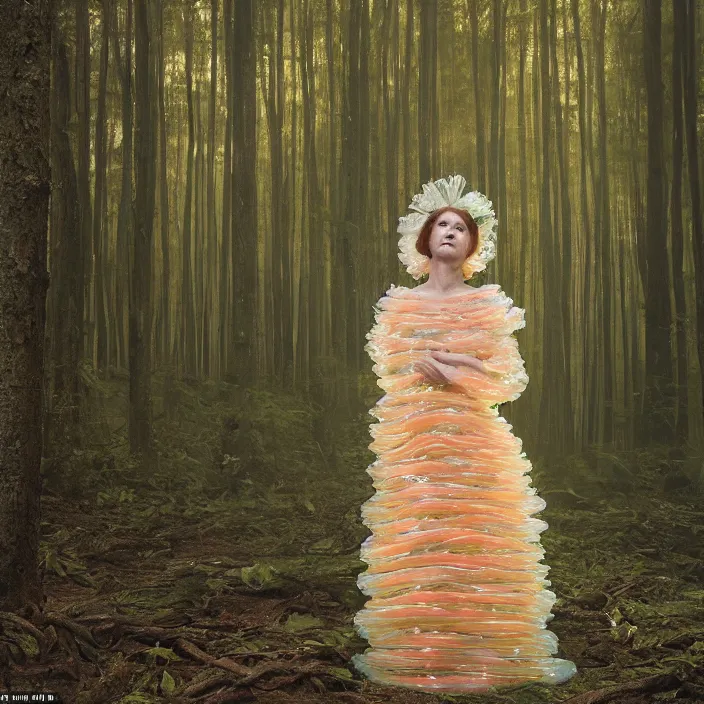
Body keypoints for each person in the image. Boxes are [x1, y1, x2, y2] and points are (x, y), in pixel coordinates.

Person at [351, 175, 576, 693]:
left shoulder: (487, 304)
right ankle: (425, 646)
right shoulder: (401, 305)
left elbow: (510, 379)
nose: (450, 232)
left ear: (473, 245)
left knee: (475, 542)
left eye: (460, 228)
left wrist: (457, 367)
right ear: (425, 239)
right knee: (423, 539)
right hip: (415, 439)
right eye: (442, 225)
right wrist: (434, 370)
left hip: (472, 439)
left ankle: (483, 653)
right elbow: (391, 370)